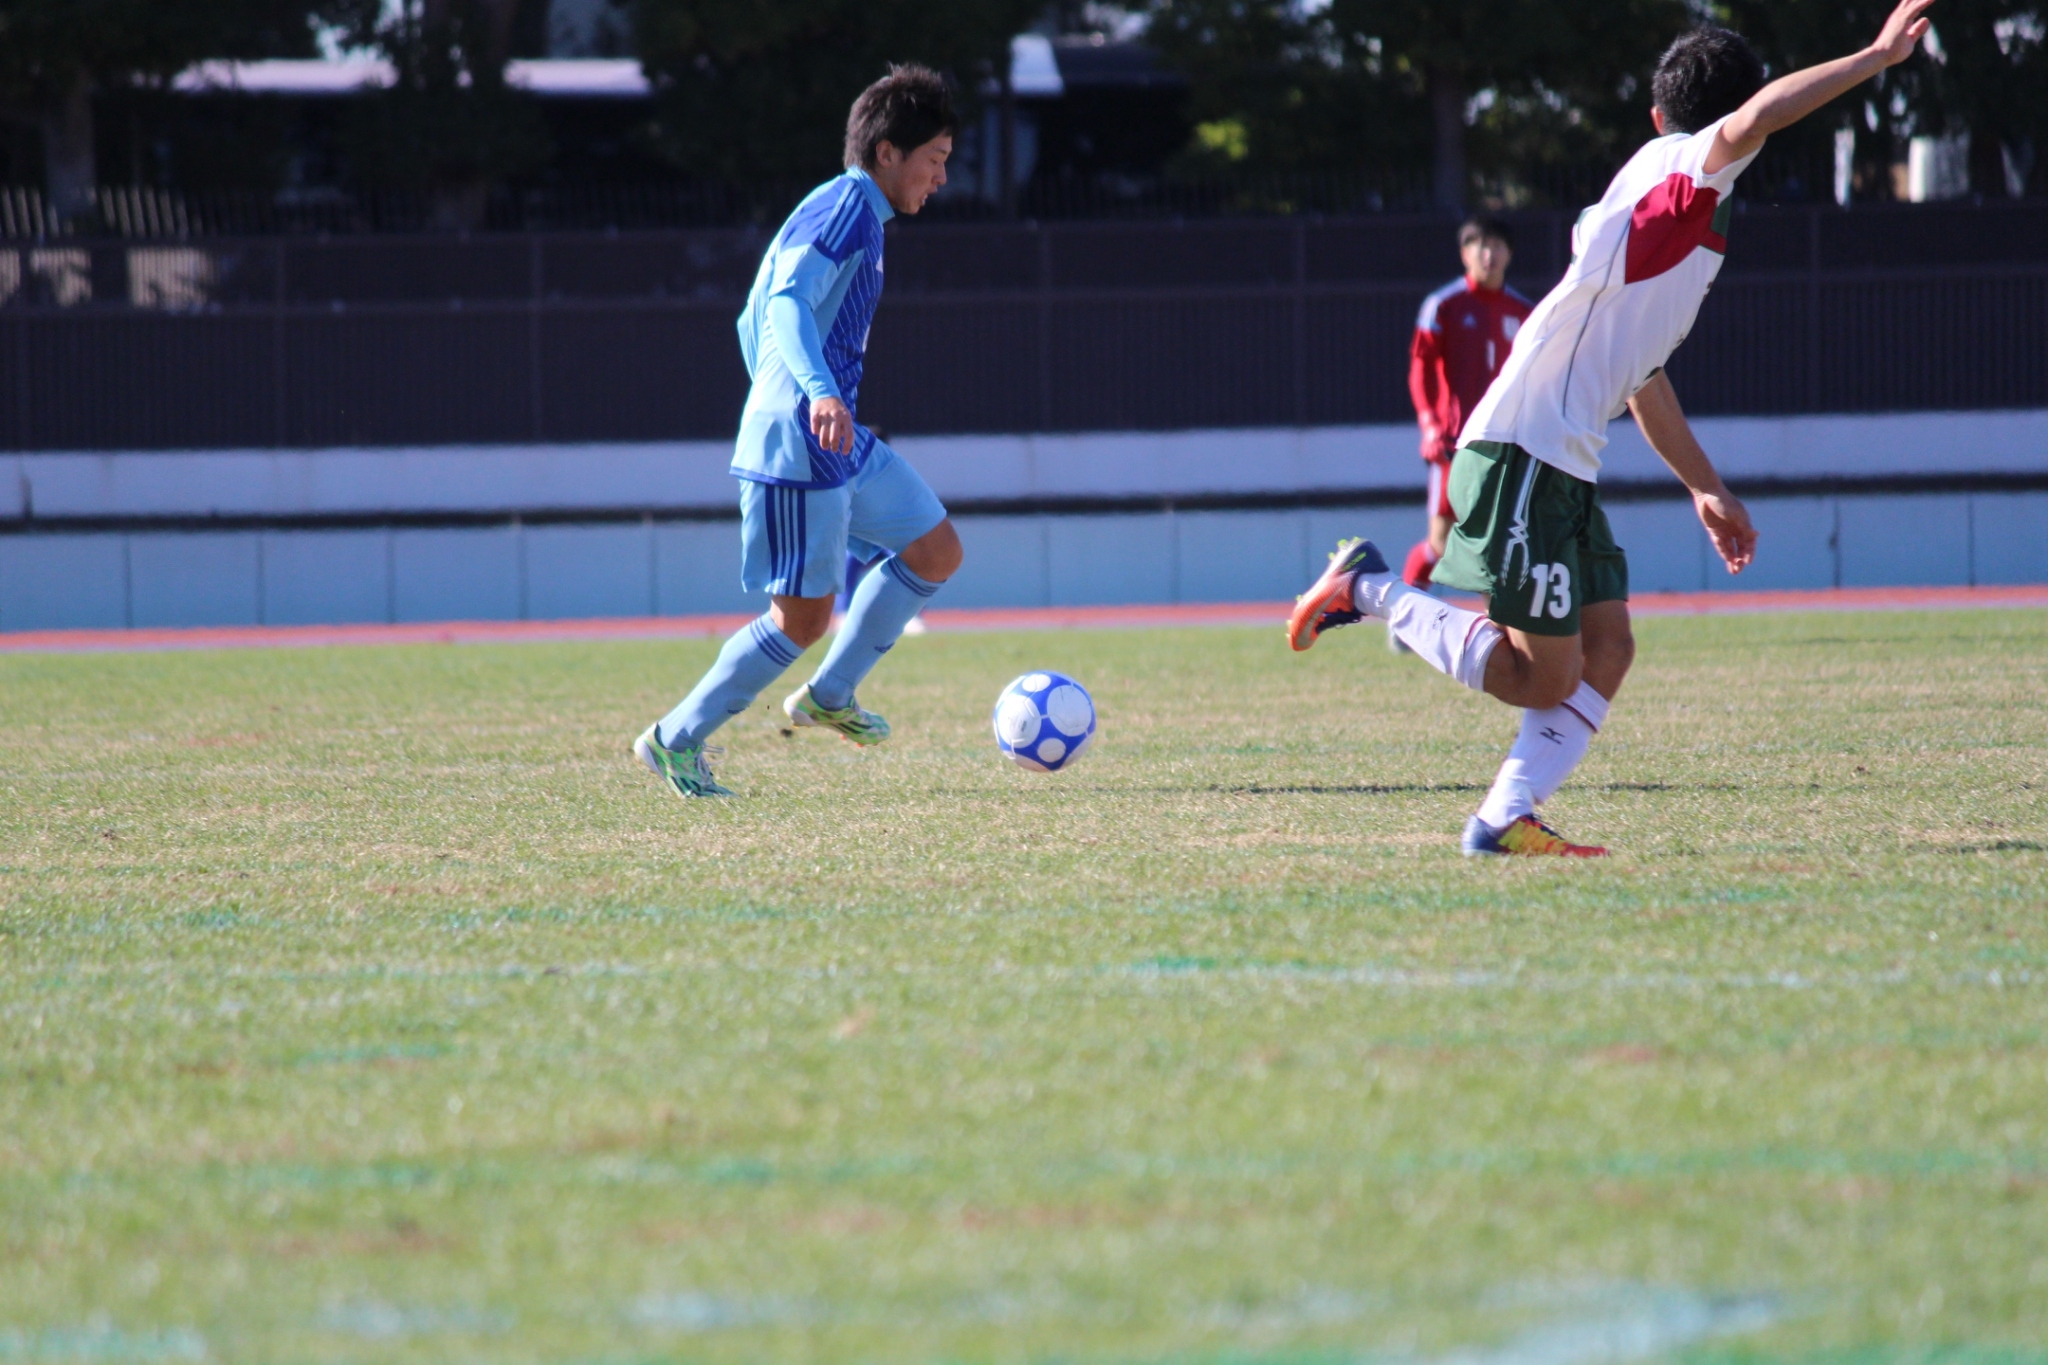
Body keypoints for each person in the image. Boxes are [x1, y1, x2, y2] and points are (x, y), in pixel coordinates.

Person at [1287, 0, 1937, 855]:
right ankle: (1368, 586)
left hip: (1560, 461)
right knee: (1540, 676)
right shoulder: (1681, 171)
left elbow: (1643, 380)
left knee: (1609, 646)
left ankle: (1503, 818)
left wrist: (1705, 487)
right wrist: (1876, 57)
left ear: (1658, 111)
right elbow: (1751, 120)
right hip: (1523, 449)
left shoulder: (1677, 212)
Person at [635, 66, 964, 798]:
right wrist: (809, 394)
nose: (942, 177)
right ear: (887, 153)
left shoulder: (851, 213)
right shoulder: (846, 208)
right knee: (801, 620)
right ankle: (673, 739)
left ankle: (830, 696)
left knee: (936, 548)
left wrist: (805, 392)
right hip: (800, 441)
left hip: (833, 435)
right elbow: (784, 302)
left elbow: (750, 319)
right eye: (936, 158)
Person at [1403, 216, 1533, 593]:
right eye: (1481, 245)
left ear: (1510, 253)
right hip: (1455, 442)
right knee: (1441, 542)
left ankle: (1503, 620)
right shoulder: (1444, 305)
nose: (1489, 254)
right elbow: (1420, 369)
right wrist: (1430, 423)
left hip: (1504, 443)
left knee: (1504, 537)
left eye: (1497, 245)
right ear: (1465, 254)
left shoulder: (1525, 313)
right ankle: (1406, 607)